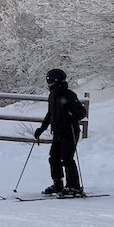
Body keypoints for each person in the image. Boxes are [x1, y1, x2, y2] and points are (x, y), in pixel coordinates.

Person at [34, 68, 86, 196]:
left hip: (70, 132)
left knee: (67, 159)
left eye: (50, 80)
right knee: (54, 158)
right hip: (57, 132)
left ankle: (74, 187)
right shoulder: (52, 95)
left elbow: (81, 113)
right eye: (48, 80)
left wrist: (71, 117)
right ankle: (58, 183)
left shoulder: (69, 95)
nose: (48, 83)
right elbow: (50, 114)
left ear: (57, 81)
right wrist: (42, 128)